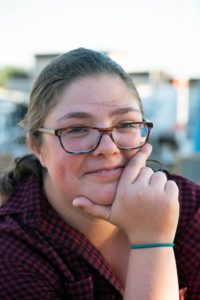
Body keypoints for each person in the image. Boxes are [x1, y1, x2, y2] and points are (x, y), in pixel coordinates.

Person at [0, 48, 199, 300]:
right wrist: (152, 242)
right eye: (78, 129)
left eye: (125, 124)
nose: (108, 148)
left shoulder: (189, 207)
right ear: (38, 147)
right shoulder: (12, 248)